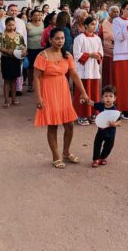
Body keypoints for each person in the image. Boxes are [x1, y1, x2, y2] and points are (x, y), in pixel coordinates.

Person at [33, 27, 89, 169]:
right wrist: (38, 97)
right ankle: (56, 156)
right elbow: (37, 77)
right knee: (53, 125)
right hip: (48, 92)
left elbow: (74, 74)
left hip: (63, 91)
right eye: (57, 38)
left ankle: (66, 152)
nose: (60, 41)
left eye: (62, 38)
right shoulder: (42, 55)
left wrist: (83, 92)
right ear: (50, 39)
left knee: (69, 124)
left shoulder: (67, 55)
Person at [73, 16, 103, 125]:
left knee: (94, 93)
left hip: (94, 69)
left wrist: (98, 56)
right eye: (92, 24)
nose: (94, 26)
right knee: (83, 92)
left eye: (95, 24)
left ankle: (94, 113)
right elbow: (76, 54)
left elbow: (101, 52)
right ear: (86, 25)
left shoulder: (97, 38)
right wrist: (90, 55)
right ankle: (81, 114)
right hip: (83, 70)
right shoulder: (79, 38)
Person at [82, 86, 121, 168]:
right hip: (101, 131)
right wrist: (85, 100)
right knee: (97, 144)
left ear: (114, 98)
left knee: (109, 146)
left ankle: (103, 157)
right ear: (102, 98)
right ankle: (96, 159)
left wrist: (114, 124)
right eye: (106, 96)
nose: (108, 98)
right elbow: (92, 103)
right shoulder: (101, 105)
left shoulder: (115, 110)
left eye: (111, 96)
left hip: (111, 133)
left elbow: (119, 121)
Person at [0, 17, 26, 108]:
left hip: (16, 60)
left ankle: (14, 99)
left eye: (13, 25)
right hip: (6, 60)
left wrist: (24, 51)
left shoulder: (19, 35)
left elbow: (23, 46)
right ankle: (6, 101)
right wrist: (7, 51)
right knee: (6, 81)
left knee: (14, 80)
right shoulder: (2, 35)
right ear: (5, 25)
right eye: (9, 25)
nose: (11, 26)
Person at [98, 5, 119, 89]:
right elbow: (99, 38)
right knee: (108, 77)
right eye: (114, 11)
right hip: (108, 55)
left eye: (117, 12)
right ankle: (107, 95)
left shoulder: (121, 23)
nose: (116, 13)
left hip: (119, 55)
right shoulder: (104, 24)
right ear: (109, 13)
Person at [26, 10, 45, 92]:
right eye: (35, 15)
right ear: (31, 16)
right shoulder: (28, 25)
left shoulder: (43, 24)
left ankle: (41, 84)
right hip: (31, 49)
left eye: (39, 15)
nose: (38, 17)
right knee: (30, 67)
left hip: (41, 49)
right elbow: (24, 36)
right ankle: (30, 84)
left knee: (41, 67)